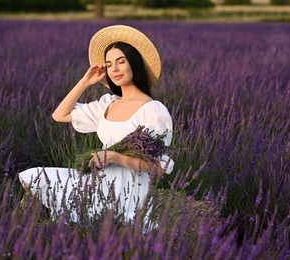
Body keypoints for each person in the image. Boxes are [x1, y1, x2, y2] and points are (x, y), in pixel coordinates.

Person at [18, 25, 174, 223]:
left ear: (134, 64)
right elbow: (59, 115)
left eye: (121, 61)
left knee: (93, 221)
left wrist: (116, 157)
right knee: (32, 177)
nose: (115, 69)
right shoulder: (107, 103)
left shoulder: (153, 110)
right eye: (109, 65)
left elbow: (159, 166)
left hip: (127, 190)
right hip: (96, 180)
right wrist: (84, 82)